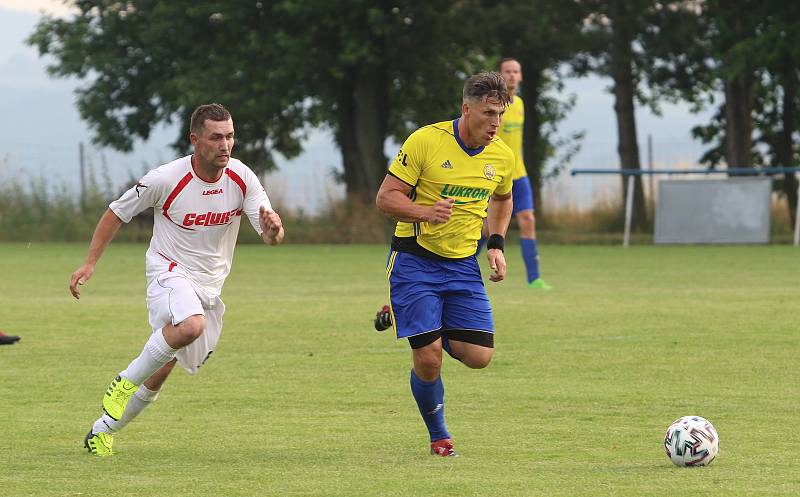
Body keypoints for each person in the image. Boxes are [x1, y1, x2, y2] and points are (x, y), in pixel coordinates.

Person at [70, 103, 284, 456]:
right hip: (168, 271)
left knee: (165, 363)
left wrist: (274, 230)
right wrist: (89, 263)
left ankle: (102, 430)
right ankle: (124, 381)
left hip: (209, 287)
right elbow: (116, 213)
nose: (225, 145)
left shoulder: (242, 177)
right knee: (190, 326)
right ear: (195, 139)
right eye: (216, 137)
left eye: (230, 136)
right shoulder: (165, 178)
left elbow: (271, 235)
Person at [375, 72, 515, 456]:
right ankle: (439, 435)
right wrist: (423, 211)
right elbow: (386, 199)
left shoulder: (502, 154)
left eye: (500, 115)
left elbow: (502, 198)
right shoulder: (425, 141)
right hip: (414, 261)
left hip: (462, 265)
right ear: (466, 109)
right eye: (488, 113)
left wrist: (497, 244)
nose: (495, 123)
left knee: (479, 357)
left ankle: (424, 325)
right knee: (429, 356)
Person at [487, 57, 551, 289]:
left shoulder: (521, 104)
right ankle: (459, 269)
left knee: (528, 220)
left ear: (521, 76)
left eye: (516, 71)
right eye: (508, 71)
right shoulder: (494, 106)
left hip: (519, 173)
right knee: (483, 226)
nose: (512, 75)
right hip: (495, 174)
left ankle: (534, 278)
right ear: (500, 75)